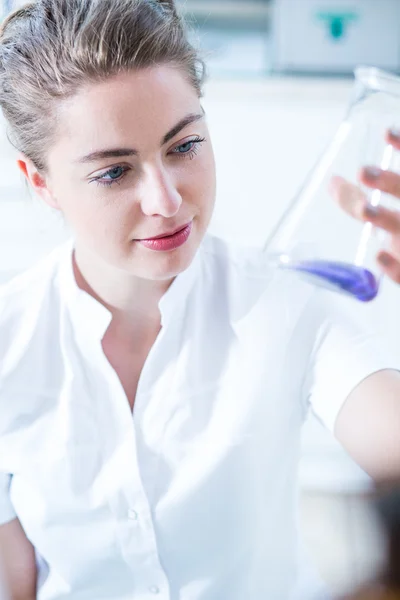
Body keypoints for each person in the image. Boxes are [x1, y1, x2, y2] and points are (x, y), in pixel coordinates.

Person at [0, 1, 399, 599]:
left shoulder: (286, 304)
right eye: (113, 172)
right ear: (41, 183)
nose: (166, 200)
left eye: (184, 146)